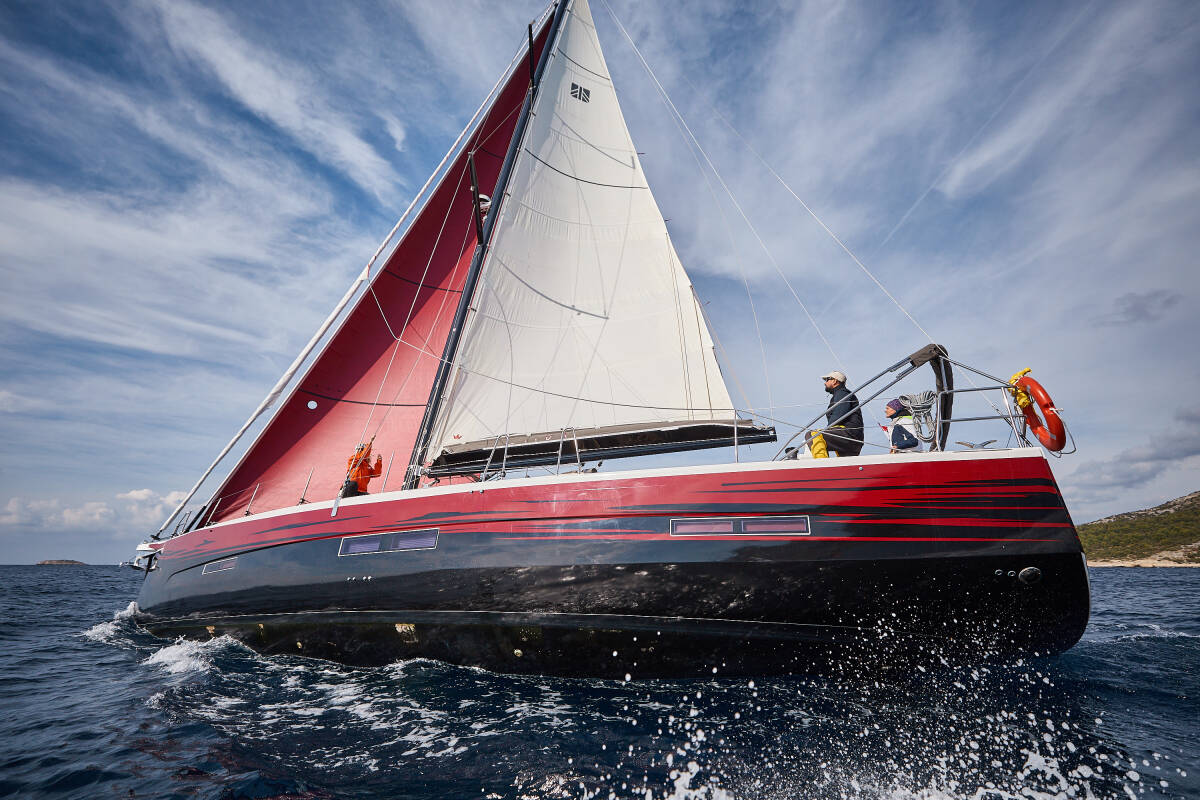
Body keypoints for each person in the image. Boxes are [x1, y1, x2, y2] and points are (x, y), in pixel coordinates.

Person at [804, 370, 864, 458]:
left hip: (848, 434)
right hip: (854, 438)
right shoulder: (842, 394)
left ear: (835, 381)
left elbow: (838, 415)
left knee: (813, 435)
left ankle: (822, 463)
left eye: (827, 380)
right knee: (845, 463)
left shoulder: (842, 393)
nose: (825, 383)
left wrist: (827, 430)